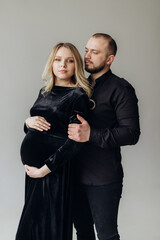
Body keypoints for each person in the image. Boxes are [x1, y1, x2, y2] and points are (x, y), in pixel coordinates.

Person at [16, 42, 92, 240]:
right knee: (32, 229)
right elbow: (38, 124)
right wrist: (27, 121)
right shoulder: (44, 91)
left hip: (54, 171)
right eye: (58, 60)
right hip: (34, 173)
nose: (63, 65)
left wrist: (45, 169)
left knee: (48, 229)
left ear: (76, 65)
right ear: (51, 63)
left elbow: (75, 141)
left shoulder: (77, 95)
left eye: (69, 61)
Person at [68, 33, 141, 240]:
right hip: (73, 176)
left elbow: (131, 133)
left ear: (109, 59)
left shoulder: (121, 89)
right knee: (82, 233)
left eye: (95, 52)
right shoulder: (77, 86)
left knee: (107, 236)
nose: (87, 56)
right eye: (87, 50)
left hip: (103, 178)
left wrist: (91, 135)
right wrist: (29, 124)